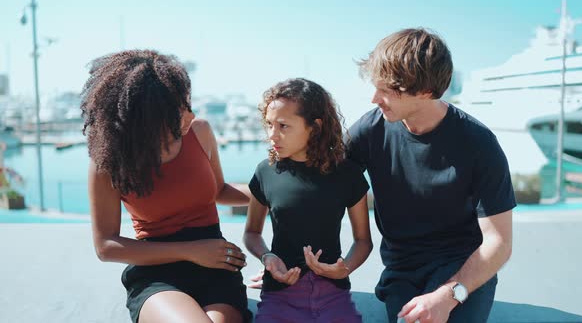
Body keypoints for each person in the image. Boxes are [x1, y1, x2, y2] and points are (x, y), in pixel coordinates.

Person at [347, 28, 515, 323]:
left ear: (425, 91)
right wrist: (285, 257)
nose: (375, 98)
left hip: (464, 270)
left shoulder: (479, 144)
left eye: (387, 90)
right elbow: (316, 184)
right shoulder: (370, 130)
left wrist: (448, 295)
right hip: (402, 270)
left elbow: (498, 243)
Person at [81, 50, 252, 323]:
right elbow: (106, 246)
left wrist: (272, 191)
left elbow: (219, 191)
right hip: (157, 272)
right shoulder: (108, 163)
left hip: (216, 265)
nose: (190, 115)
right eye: (180, 110)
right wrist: (192, 251)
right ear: (147, 118)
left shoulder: (200, 132)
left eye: (188, 103)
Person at [243, 78, 373, 322]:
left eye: (283, 126)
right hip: (279, 294)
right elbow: (251, 233)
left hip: (334, 293)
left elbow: (363, 241)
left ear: (314, 127)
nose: (273, 135)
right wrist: (267, 257)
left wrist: (343, 268)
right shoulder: (265, 172)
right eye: (269, 124)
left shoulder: (348, 173)